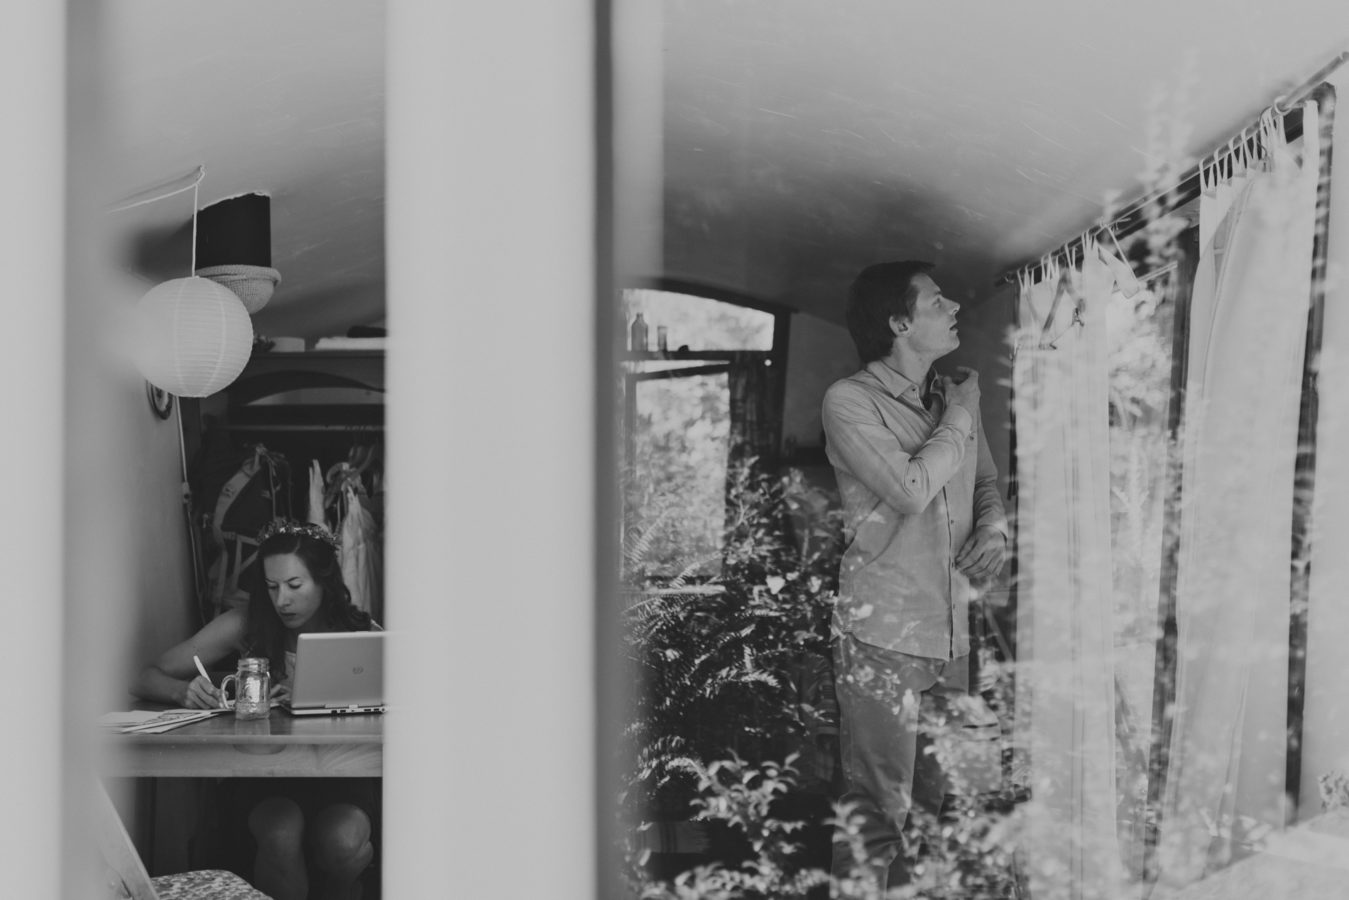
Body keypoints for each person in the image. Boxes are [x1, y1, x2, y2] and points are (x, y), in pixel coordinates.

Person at [820, 261, 1007, 890]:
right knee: (879, 812)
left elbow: (983, 481)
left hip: (950, 629)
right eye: (935, 300)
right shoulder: (850, 401)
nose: (953, 305)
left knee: (934, 810)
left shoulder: (948, 401)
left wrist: (995, 528)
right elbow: (909, 488)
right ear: (899, 322)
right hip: (883, 631)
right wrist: (964, 413)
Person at [134, 518, 379, 900]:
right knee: (281, 830)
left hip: (340, 771)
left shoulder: (358, 632)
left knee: (342, 840)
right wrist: (183, 692)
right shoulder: (246, 624)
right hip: (260, 773)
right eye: (271, 586)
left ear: (324, 583)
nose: (282, 600)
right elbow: (144, 676)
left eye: (295, 586)